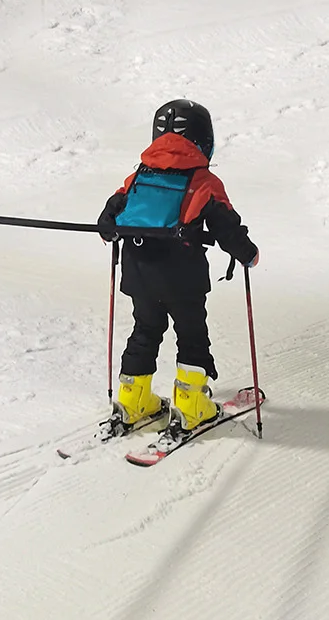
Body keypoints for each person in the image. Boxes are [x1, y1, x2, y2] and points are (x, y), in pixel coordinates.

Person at [98, 99, 258, 434]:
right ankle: (190, 405)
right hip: (182, 279)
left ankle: (132, 401)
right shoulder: (203, 181)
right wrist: (248, 254)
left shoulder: (138, 176)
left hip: (139, 274)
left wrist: (110, 231)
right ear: (204, 139)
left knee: (145, 331)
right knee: (191, 335)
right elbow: (226, 228)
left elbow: (108, 218)